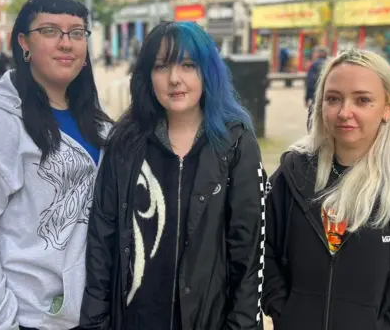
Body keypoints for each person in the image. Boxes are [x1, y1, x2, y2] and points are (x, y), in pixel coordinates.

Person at [0, 0, 112, 330]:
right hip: (35, 318)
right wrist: (1, 322)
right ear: (24, 43)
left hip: (99, 310)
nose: (66, 43)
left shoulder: (98, 122)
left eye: (77, 33)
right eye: (50, 31)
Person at [81, 21, 267, 330]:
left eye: (188, 65)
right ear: (147, 76)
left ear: (207, 72)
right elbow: (102, 238)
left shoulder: (235, 143)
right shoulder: (126, 143)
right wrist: (95, 322)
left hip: (209, 319)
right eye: (161, 66)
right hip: (136, 317)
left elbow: (248, 253)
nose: (174, 79)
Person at [262, 49, 390, 330]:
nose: (345, 112)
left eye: (363, 100)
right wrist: (283, 309)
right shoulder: (291, 174)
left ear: (389, 106)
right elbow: (261, 250)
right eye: (333, 99)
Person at [305, 46, 328, 131]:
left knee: (312, 120)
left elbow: (310, 82)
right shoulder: (330, 64)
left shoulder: (314, 65)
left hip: (316, 96)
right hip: (327, 97)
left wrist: (307, 98)